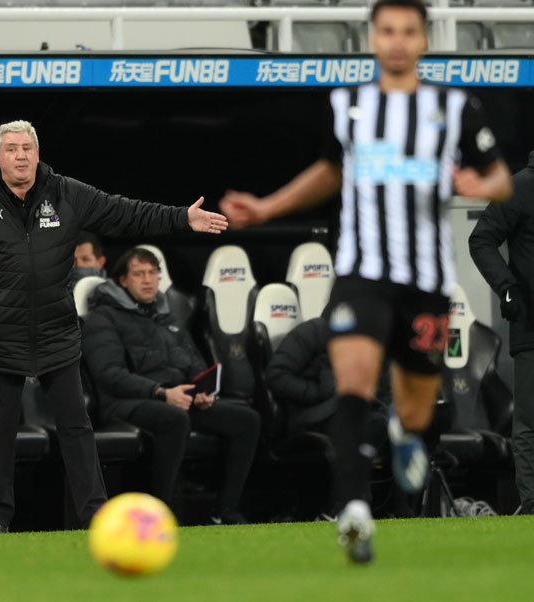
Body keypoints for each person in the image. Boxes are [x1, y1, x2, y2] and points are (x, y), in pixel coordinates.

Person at [220, 0, 512, 563]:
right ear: (372, 38)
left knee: (418, 408)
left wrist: (480, 185)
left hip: (425, 281)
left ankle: (406, 432)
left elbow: (499, 174)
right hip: (361, 272)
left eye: (409, 31)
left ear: (424, 40)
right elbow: (331, 171)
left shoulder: (454, 107)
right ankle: (353, 512)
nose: (398, 41)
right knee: (353, 384)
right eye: (387, 31)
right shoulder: (348, 104)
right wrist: (266, 207)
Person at [0, 119, 227, 534]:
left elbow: (125, 212)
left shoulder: (66, 193)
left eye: (28, 148)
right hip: (0, 334)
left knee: (77, 428)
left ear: (38, 154)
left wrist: (182, 218)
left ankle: (95, 516)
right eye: (12, 149)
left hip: (57, 331)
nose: (21, 156)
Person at [81, 247, 259, 523]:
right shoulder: (102, 318)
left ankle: (224, 512)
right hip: (126, 402)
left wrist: (201, 390)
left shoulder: (167, 316)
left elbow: (194, 361)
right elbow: (109, 374)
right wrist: (161, 393)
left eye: (153, 273)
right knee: (174, 418)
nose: (148, 280)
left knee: (246, 419)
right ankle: (160, 513)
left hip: (177, 396)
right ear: (122, 281)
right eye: (139, 274)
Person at [265, 316, 392, 517]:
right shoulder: (312, 332)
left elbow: (384, 385)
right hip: (311, 414)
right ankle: (342, 504)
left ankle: (394, 508)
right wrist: (317, 393)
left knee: (391, 418)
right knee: (371, 422)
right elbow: (276, 374)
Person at [468, 150, 534, 515]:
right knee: (531, 420)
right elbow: (481, 240)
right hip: (532, 324)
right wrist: (507, 287)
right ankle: (532, 502)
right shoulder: (519, 187)